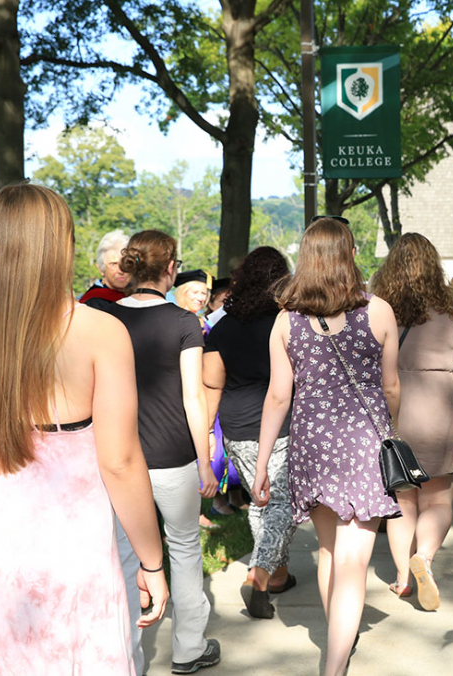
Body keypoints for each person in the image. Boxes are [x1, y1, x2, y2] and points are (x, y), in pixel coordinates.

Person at [0, 185, 168, 673]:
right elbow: (119, 461)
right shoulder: (99, 332)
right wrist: (153, 562)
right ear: (61, 245)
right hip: (70, 563)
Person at [251, 218, 401, 676]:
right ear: (350, 254)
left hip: (311, 444)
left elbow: (279, 394)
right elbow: (391, 385)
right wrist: (390, 422)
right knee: (354, 558)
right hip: (363, 443)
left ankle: (337, 639)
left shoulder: (286, 320)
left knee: (330, 551)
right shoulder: (378, 311)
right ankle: (335, 664)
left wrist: (261, 464)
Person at [104, 230, 221, 675]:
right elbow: (194, 398)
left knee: (124, 554)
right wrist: (205, 458)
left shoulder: (105, 317)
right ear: (171, 268)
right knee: (185, 549)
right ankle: (189, 649)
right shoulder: (183, 322)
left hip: (118, 456)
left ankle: (125, 651)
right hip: (174, 455)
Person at [370, 233, 453, 610]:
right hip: (440, 406)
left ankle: (403, 577)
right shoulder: (452, 309)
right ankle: (426, 559)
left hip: (395, 408)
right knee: (438, 498)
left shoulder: (377, 308)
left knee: (403, 500)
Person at [203, 247, 298, 620]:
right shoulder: (287, 322)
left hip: (237, 424)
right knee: (282, 504)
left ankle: (279, 574)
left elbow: (212, 384)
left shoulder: (223, 327)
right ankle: (259, 574)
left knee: (261, 502)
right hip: (279, 423)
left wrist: (209, 434)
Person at [79, 229, 131, 309]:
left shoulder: (140, 295)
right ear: (101, 269)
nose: (121, 270)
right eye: (113, 264)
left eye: (126, 263)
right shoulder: (93, 303)